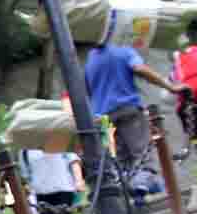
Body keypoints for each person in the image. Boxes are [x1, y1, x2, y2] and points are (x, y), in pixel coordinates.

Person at [78, 40, 187, 193]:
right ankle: (142, 186)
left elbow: (87, 91)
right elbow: (139, 68)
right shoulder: (123, 49)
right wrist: (170, 86)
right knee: (142, 154)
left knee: (118, 162)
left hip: (102, 119)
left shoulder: (91, 59)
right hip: (127, 109)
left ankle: (129, 199)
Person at [20, 147, 82, 214]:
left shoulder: (57, 139)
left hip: (63, 190)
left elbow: (74, 161)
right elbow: (26, 175)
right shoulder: (24, 150)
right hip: (41, 194)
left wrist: (79, 181)